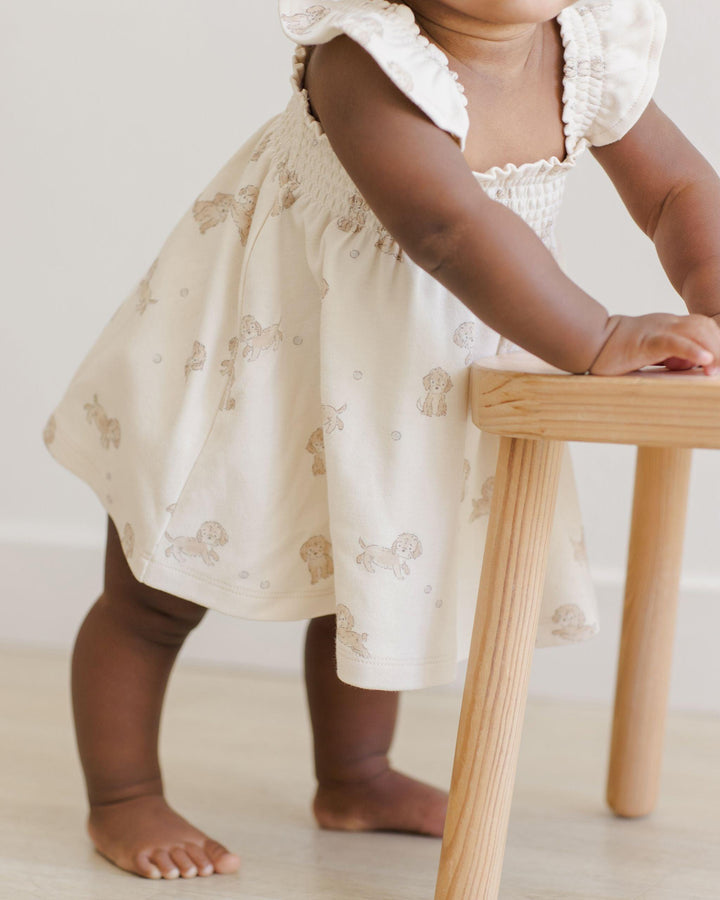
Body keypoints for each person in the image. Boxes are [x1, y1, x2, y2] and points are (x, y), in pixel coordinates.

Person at [42, 0, 720, 881]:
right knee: (154, 588)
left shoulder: (583, 49)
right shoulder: (365, 59)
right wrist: (596, 337)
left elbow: (676, 188)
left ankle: (354, 777)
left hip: (394, 378)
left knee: (368, 563)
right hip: (253, 363)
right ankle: (124, 794)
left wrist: (708, 294)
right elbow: (447, 229)